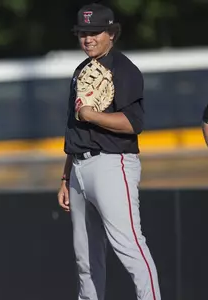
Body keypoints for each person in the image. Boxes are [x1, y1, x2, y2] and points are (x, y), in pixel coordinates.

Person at [57, 3, 161, 300]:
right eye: (82, 33)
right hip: (79, 166)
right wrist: (65, 178)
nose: (87, 38)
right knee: (85, 258)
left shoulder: (124, 70)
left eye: (94, 32)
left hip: (112, 164)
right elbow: (74, 129)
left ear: (111, 33)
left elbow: (133, 123)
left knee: (129, 245)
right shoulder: (81, 70)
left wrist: (92, 115)